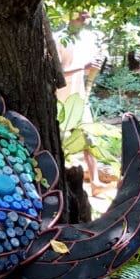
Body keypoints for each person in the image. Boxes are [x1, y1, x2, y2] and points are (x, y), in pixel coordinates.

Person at [55, 11, 110, 194]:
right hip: (60, 99)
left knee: (88, 137)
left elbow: (86, 71)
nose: (83, 22)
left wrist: (92, 68)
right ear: (69, 17)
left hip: (80, 97)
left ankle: (95, 182)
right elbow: (57, 74)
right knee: (60, 141)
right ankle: (59, 182)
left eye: (86, 19)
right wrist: (82, 67)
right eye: (80, 18)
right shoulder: (59, 39)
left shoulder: (87, 39)